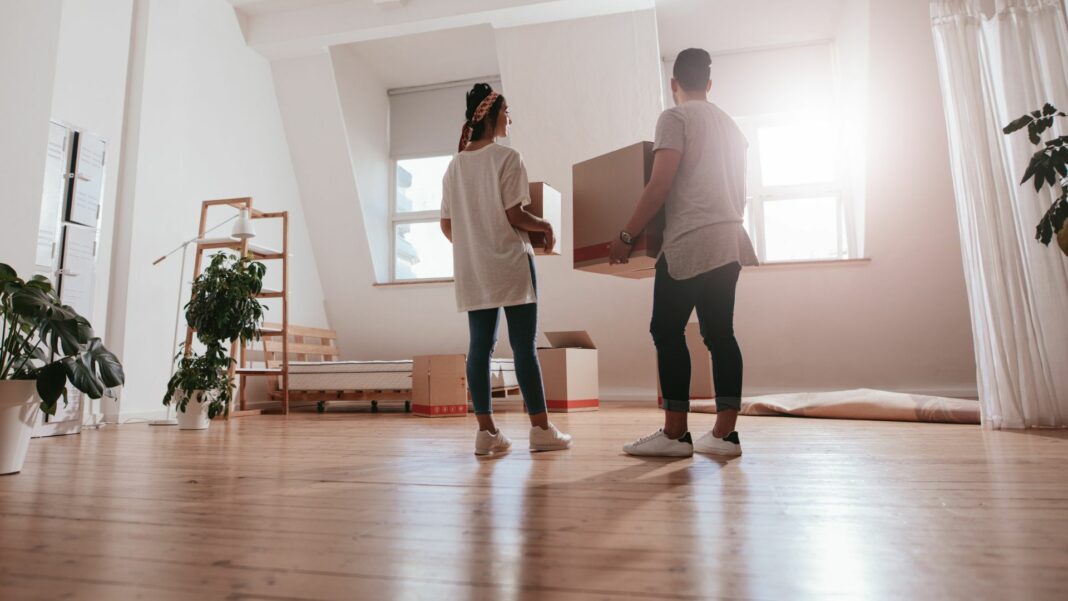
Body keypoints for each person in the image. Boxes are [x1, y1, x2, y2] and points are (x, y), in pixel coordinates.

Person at [612, 48, 759, 458]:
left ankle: (675, 434)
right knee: (720, 334)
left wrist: (627, 235)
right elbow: (740, 192)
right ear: (709, 85)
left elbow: (659, 185)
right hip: (730, 239)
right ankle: (724, 435)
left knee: (666, 329)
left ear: (674, 84)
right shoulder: (732, 127)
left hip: (691, 240)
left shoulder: (674, 118)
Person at [440, 83, 573, 456]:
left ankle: (486, 434)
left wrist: (476, 246)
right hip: (512, 264)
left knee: (479, 348)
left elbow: (447, 226)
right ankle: (541, 430)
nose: (510, 117)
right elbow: (515, 214)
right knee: (523, 348)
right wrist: (545, 226)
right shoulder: (506, 158)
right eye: (507, 110)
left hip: (475, 270)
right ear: (494, 114)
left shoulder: (454, 166)